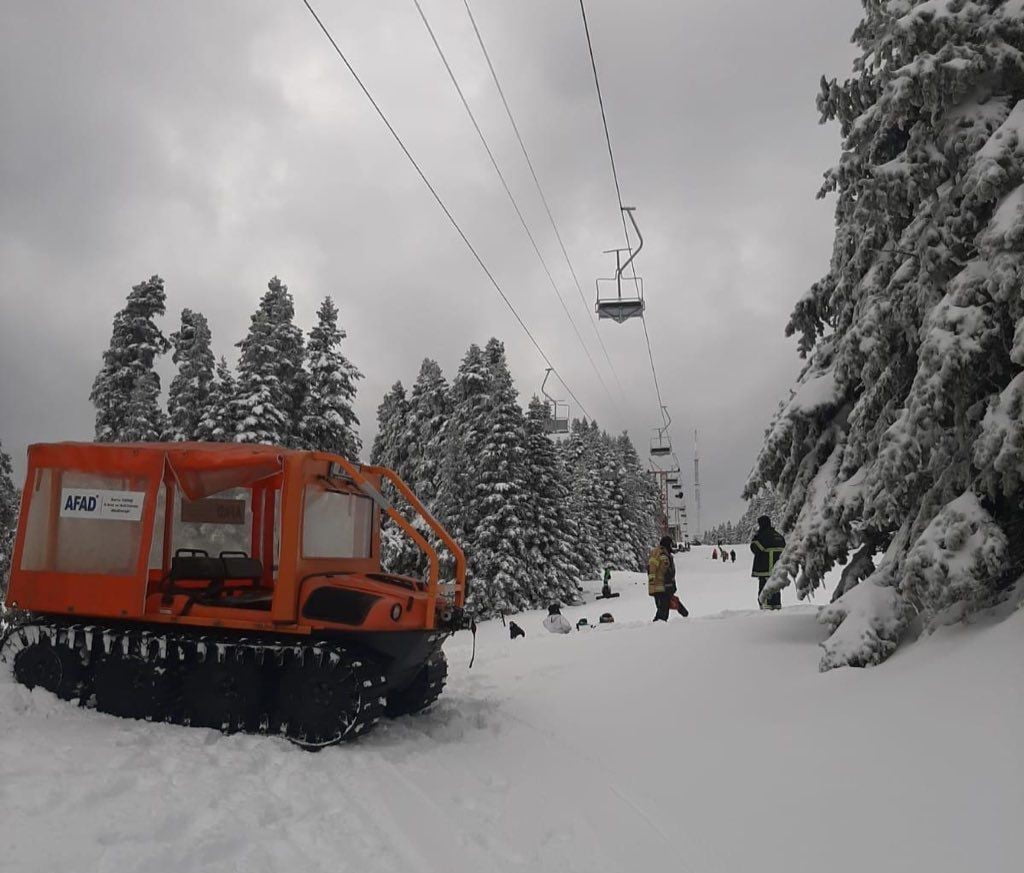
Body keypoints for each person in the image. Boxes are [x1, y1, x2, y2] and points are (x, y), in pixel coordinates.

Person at [648, 535, 688, 621]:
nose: (671, 547)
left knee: (664, 611)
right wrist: (653, 583)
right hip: (659, 587)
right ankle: (655, 629)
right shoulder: (658, 553)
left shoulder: (665, 554)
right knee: (662, 612)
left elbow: (668, 572)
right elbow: (652, 569)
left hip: (665, 587)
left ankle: (658, 628)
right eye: (670, 545)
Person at [751, 515, 786, 610]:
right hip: (778, 569)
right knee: (776, 591)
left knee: (765, 591)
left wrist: (755, 538)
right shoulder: (779, 536)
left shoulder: (762, 535)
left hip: (765, 569)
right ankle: (777, 609)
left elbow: (755, 548)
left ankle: (766, 613)